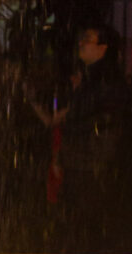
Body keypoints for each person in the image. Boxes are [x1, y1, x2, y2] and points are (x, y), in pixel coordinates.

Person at [35, 21, 125, 242]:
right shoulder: (92, 77)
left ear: (103, 48)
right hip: (83, 160)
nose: (81, 44)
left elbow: (90, 119)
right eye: (82, 39)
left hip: (89, 161)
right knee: (78, 220)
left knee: (83, 220)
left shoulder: (103, 79)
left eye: (88, 40)